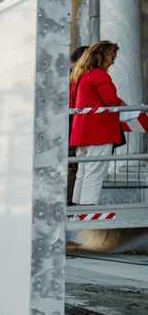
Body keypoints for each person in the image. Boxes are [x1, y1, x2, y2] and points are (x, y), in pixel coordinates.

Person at [69, 41, 124, 206]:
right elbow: (111, 101)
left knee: (83, 172)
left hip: (82, 132)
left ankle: (78, 210)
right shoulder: (100, 75)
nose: (113, 61)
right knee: (95, 172)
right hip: (99, 132)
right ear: (101, 56)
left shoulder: (79, 76)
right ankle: (88, 211)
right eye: (112, 56)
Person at [67, 45, 88, 204]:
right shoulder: (75, 76)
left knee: (73, 165)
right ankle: (70, 203)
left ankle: (71, 203)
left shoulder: (68, 74)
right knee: (73, 165)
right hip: (70, 127)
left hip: (69, 126)